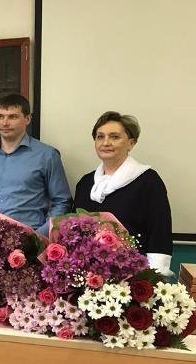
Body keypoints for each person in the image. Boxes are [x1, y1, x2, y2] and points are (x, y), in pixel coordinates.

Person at [73, 111, 173, 275]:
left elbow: (159, 232)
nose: (106, 143)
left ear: (131, 143)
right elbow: (74, 231)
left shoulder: (148, 181)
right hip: (89, 274)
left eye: (114, 137)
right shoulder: (85, 183)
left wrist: (153, 276)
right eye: (100, 137)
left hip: (133, 274)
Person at [0, 94, 71, 234]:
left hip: (30, 239)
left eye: (12, 117)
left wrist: (39, 236)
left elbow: (62, 202)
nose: (5, 123)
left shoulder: (47, 155)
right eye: (0, 116)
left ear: (28, 119)